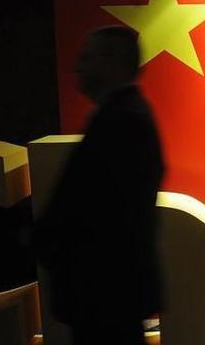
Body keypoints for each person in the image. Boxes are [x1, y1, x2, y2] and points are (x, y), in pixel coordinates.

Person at [33, 26, 165, 345]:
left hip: (104, 293)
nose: (77, 66)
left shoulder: (120, 121)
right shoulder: (126, 115)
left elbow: (93, 211)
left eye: (87, 57)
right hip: (109, 293)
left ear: (113, 62)